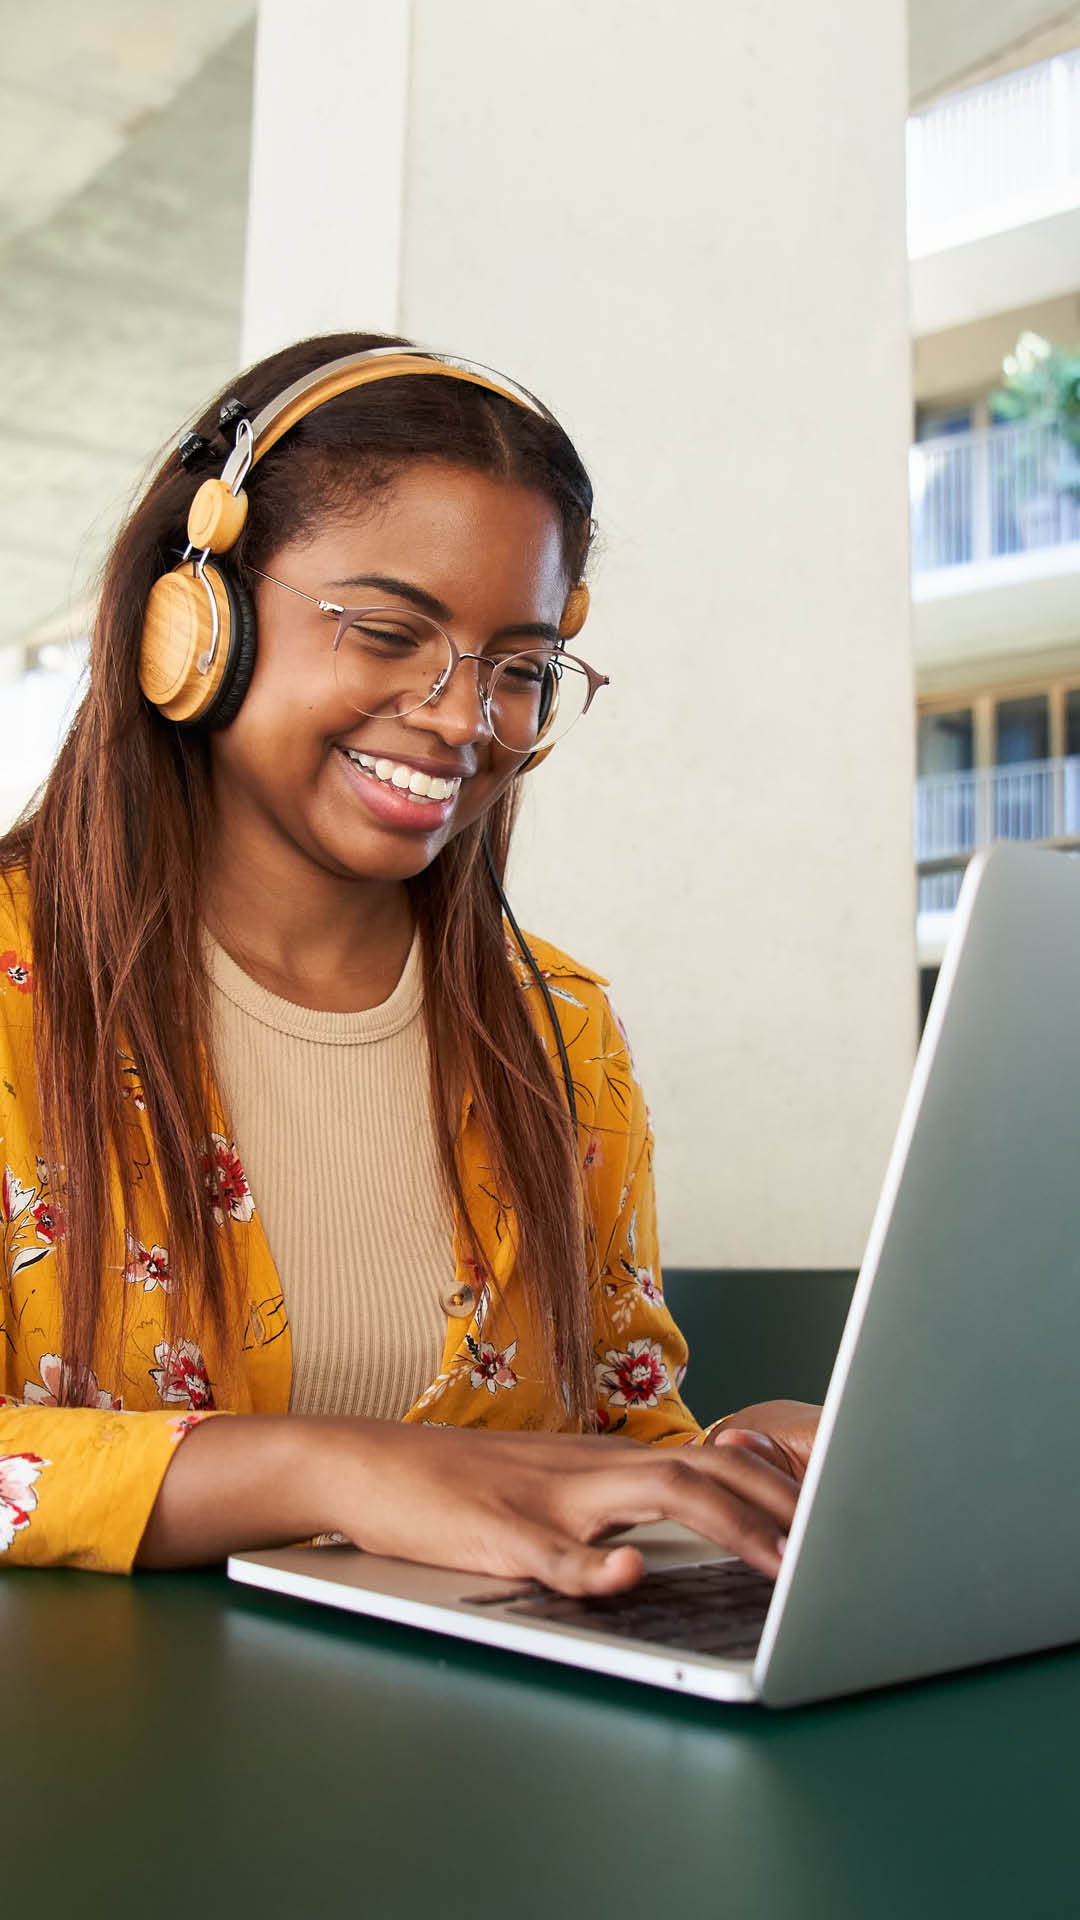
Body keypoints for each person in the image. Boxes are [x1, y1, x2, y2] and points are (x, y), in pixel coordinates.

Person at [0, 330, 818, 1589]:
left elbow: (604, 1440)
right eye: (387, 630)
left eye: (521, 668)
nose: (461, 716)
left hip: (475, 1760)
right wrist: (326, 1469)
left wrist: (729, 1467)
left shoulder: (558, 1033)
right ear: (192, 617)